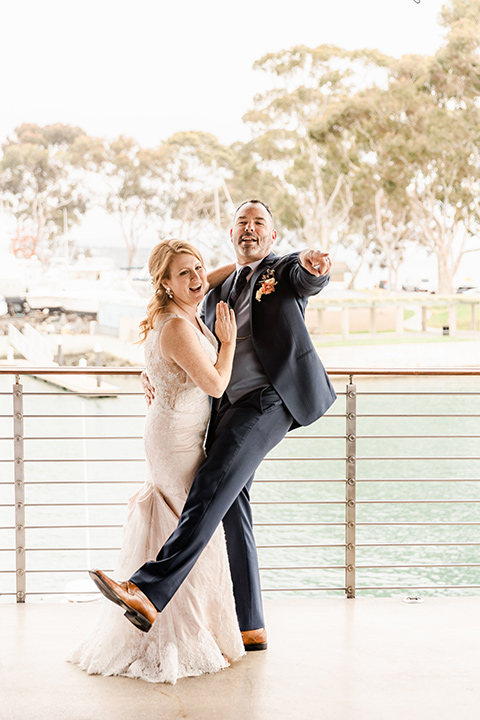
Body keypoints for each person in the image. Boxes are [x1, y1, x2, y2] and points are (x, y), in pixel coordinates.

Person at [90, 199, 337, 653]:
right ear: (231, 234)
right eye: (242, 222)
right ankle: (250, 623)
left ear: (273, 235)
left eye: (259, 222)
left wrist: (314, 268)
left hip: (268, 401)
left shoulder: (280, 272)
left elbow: (304, 277)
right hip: (225, 407)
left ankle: (149, 590)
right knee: (232, 502)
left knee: (209, 486)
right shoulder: (216, 292)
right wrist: (155, 372)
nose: (250, 228)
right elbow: (186, 337)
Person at [69, 239, 245, 683]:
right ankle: (174, 636)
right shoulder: (178, 326)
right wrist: (228, 342)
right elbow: (216, 385)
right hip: (175, 442)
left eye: (198, 268)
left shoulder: (183, 311)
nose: (196, 278)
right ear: (164, 283)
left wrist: (240, 264)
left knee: (183, 525)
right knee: (191, 526)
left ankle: (159, 606)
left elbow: (212, 279)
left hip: (173, 431)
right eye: (183, 273)